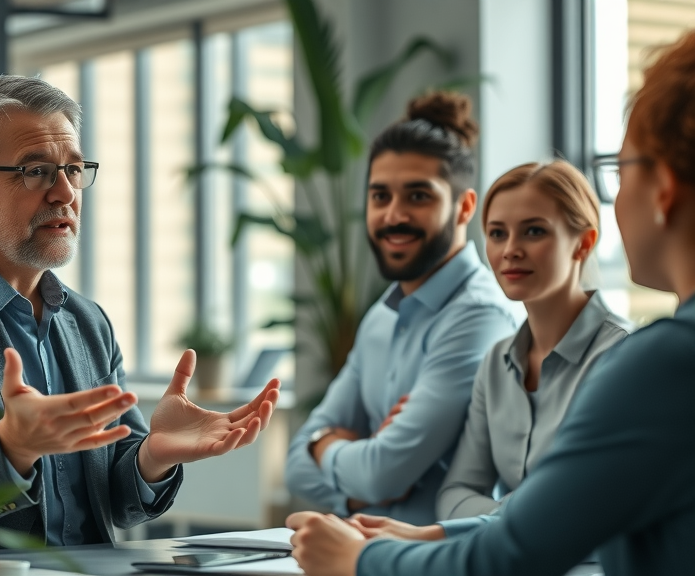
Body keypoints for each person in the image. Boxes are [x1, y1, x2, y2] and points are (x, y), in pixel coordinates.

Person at [287, 29, 695, 576]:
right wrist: (342, 454)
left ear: (663, 187)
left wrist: (363, 558)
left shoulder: (652, 361)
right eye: (498, 233)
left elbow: (519, 547)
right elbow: (491, 506)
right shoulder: (471, 348)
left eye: (620, 172)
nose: (510, 251)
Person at [0, 75, 281, 544]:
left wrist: (153, 455)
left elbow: (112, 497)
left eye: (73, 170)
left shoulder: (87, 322)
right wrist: (11, 449)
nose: (65, 194)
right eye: (35, 172)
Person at [344, 160, 631, 545]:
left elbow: (583, 507)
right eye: (497, 233)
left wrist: (451, 530)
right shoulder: (497, 363)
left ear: (584, 242)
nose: (510, 250)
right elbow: (454, 493)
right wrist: (523, 518)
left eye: (533, 231)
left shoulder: (623, 357)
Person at [284, 92, 520, 526]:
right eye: (380, 197)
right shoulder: (382, 315)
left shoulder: (481, 317)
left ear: (464, 207)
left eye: (417, 196)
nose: (393, 215)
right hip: (369, 558)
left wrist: (328, 447)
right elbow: (296, 464)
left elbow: (382, 473)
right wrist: (355, 479)